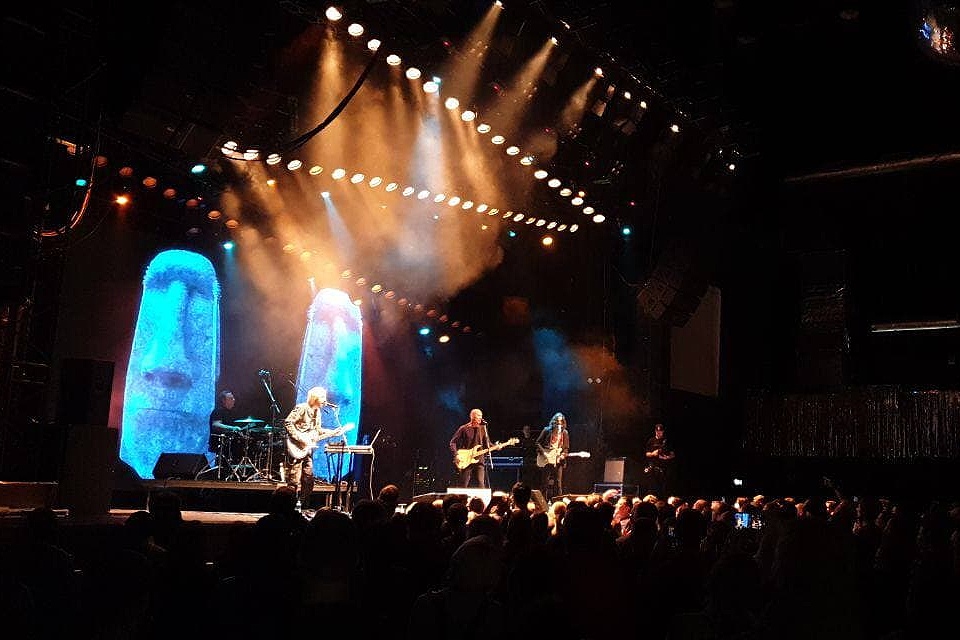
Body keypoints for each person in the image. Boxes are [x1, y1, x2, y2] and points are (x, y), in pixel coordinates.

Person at [284, 386, 346, 509]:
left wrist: (333, 432)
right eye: (322, 397)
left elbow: (317, 430)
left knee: (309, 479)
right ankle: (288, 508)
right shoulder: (302, 408)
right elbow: (288, 422)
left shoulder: (318, 413)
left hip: (307, 450)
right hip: (296, 447)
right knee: (294, 480)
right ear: (315, 398)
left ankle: (303, 506)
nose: (325, 400)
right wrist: (301, 439)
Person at [449, 408, 492, 488]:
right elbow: (453, 442)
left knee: (481, 483)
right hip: (466, 459)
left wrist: (497, 446)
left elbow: (488, 444)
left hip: (479, 460)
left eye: (481, 415)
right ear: (472, 417)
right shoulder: (464, 428)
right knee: (464, 484)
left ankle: (481, 496)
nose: (480, 417)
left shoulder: (483, 428)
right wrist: (456, 454)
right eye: (478, 415)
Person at [536, 412, 570, 499]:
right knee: (545, 482)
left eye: (561, 422)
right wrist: (544, 453)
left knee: (558, 482)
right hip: (547, 460)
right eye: (557, 422)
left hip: (557, 460)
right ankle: (543, 502)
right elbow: (537, 443)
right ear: (554, 422)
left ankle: (557, 501)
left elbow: (566, 448)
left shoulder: (564, 433)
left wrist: (563, 455)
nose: (559, 424)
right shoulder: (547, 430)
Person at [643, 422, 675, 497]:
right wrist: (653, 454)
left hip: (664, 468)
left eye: (660, 431)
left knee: (664, 488)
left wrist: (667, 457)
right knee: (653, 488)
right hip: (653, 467)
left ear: (663, 431)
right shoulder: (651, 441)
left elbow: (673, 454)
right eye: (657, 431)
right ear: (655, 431)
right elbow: (646, 454)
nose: (659, 433)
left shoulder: (666, 441)